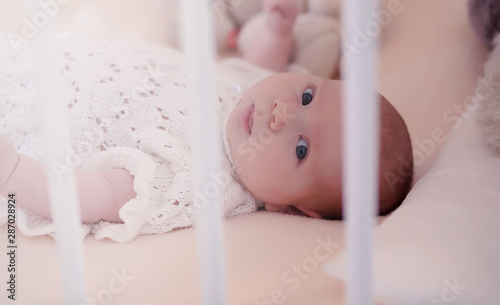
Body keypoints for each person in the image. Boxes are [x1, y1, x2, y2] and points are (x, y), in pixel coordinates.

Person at [0, 0, 413, 242]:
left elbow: (99, 195)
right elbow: (252, 69)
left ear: (295, 210)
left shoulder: (202, 180)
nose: (281, 114)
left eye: (301, 148)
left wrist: (17, 171)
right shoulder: (254, 95)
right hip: (55, 57)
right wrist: (277, 31)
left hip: (29, 107)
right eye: (306, 95)